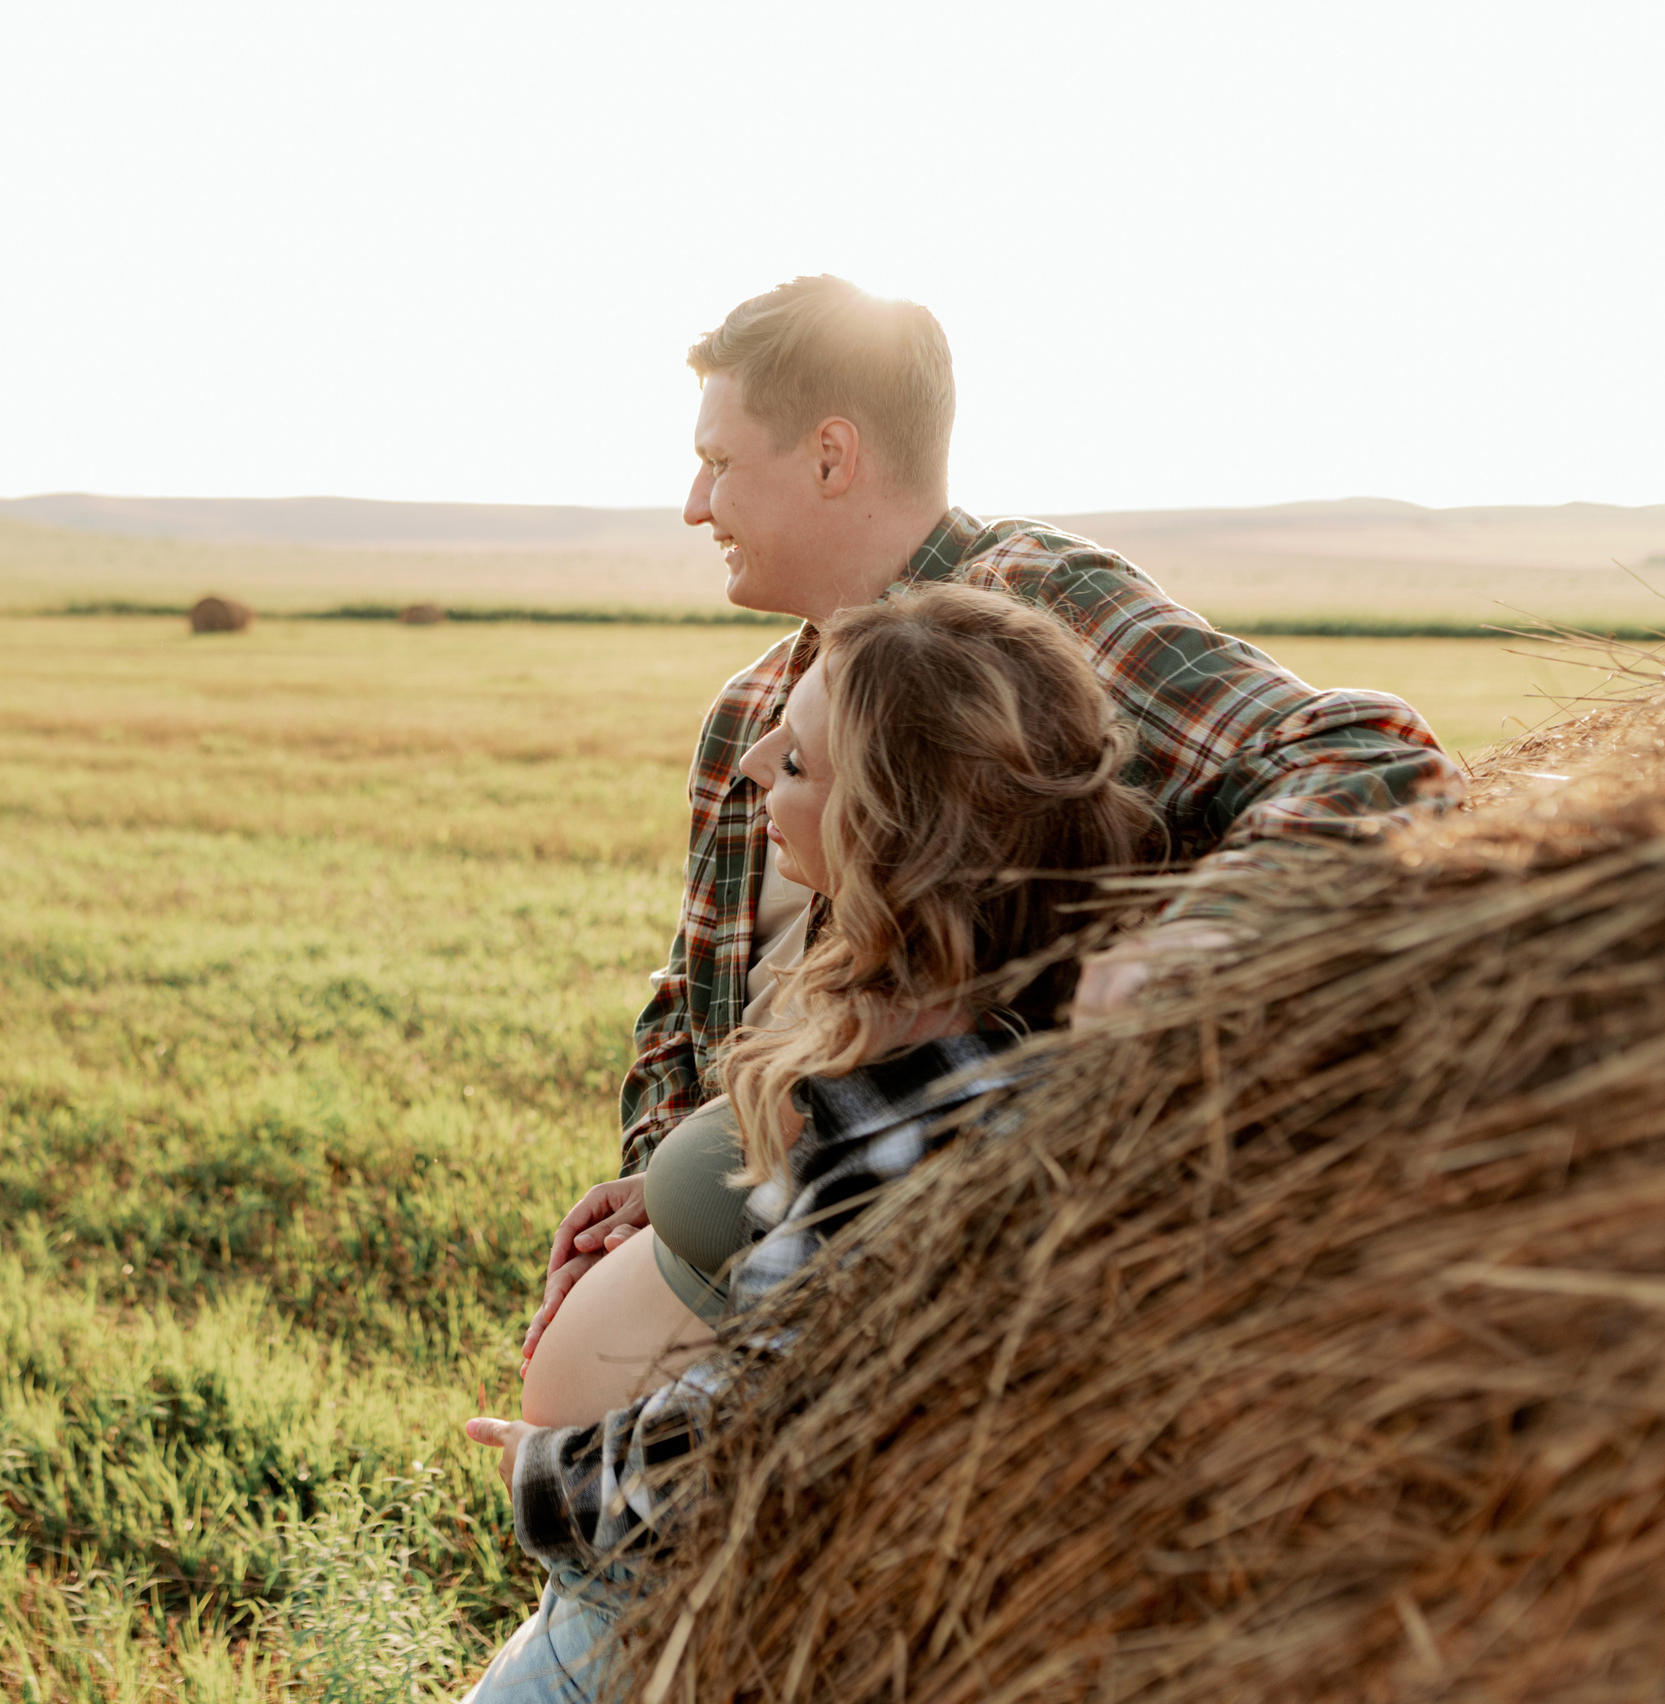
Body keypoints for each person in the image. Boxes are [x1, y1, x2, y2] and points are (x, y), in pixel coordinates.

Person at [460, 274, 1465, 1701]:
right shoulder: (755, 709)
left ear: (828, 454)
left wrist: (1162, 969)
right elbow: (702, 1003)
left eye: (714, 459)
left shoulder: (1029, 620)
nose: (692, 504)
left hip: (878, 1442)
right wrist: (658, 1187)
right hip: (683, 1454)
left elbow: (1367, 762)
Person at [457, 583, 1157, 1702]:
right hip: (617, 1612)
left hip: (648, 1626)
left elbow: (780, 1442)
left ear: (890, 821)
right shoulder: (899, 994)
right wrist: (684, 1187)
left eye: (794, 766)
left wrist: (555, 1473)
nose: (753, 771)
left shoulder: (943, 1101)